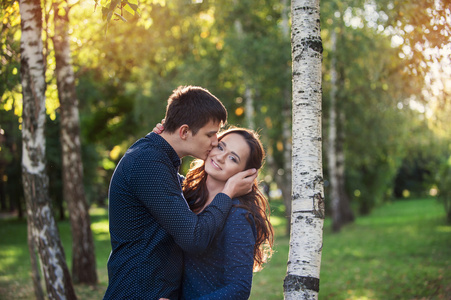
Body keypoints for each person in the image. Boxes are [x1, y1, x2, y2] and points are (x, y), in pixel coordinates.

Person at [103, 86, 257, 300]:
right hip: (137, 293)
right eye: (211, 135)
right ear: (184, 132)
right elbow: (194, 238)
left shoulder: (160, 163)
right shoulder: (148, 163)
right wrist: (228, 191)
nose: (215, 143)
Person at [155, 125, 274, 299]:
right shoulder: (186, 195)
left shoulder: (238, 216)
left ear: (245, 173)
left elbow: (238, 289)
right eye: (220, 147)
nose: (220, 157)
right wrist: (163, 136)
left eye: (233, 158)